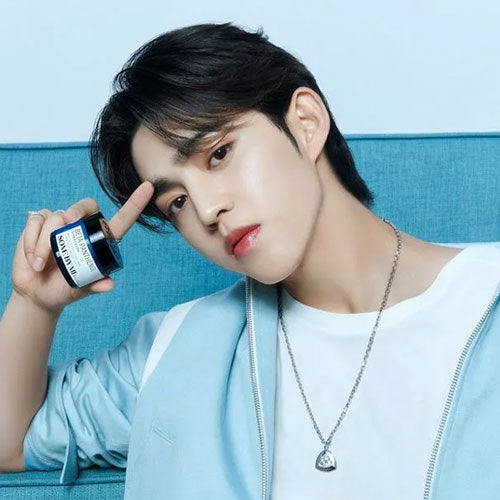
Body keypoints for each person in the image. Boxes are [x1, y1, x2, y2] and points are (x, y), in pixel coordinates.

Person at [1, 21, 499, 500]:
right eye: (177, 202)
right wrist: (35, 303)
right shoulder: (178, 352)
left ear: (305, 123)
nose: (207, 210)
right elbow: (9, 443)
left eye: (218, 154)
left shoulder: (485, 300)